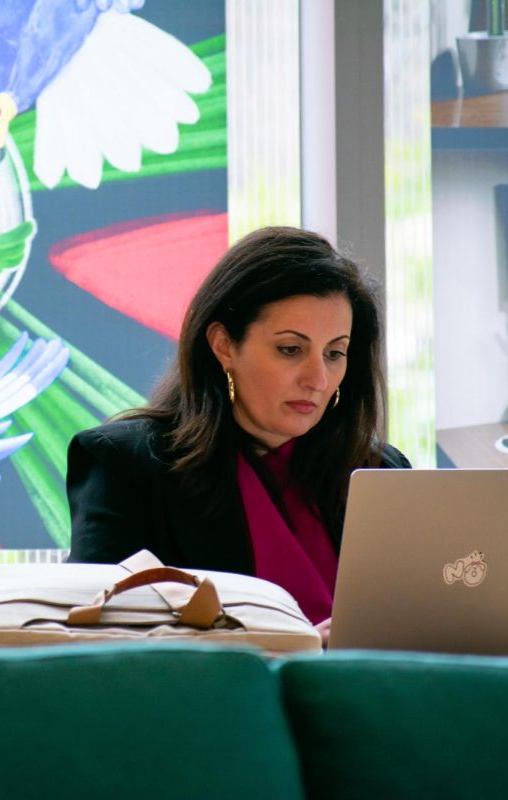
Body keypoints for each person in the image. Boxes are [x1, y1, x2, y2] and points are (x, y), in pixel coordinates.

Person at [65, 226, 410, 643]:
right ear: (224, 346)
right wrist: (284, 645)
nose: (318, 378)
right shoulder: (126, 465)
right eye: (290, 349)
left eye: (335, 353)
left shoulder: (382, 471)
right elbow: (100, 640)